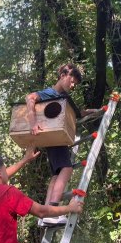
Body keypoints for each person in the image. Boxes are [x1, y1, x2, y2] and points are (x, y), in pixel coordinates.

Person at [26, 63, 92, 227]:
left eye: (75, 84)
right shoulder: (50, 93)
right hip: (54, 137)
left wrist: (91, 112)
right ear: (63, 75)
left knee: (56, 175)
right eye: (71, 81)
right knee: (67, 169)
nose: (72, 85)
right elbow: (30, 98)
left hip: (54, 138)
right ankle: (52, 212)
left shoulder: (63, 98)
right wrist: (33, 123)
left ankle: (46, 214)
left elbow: (76, 114)